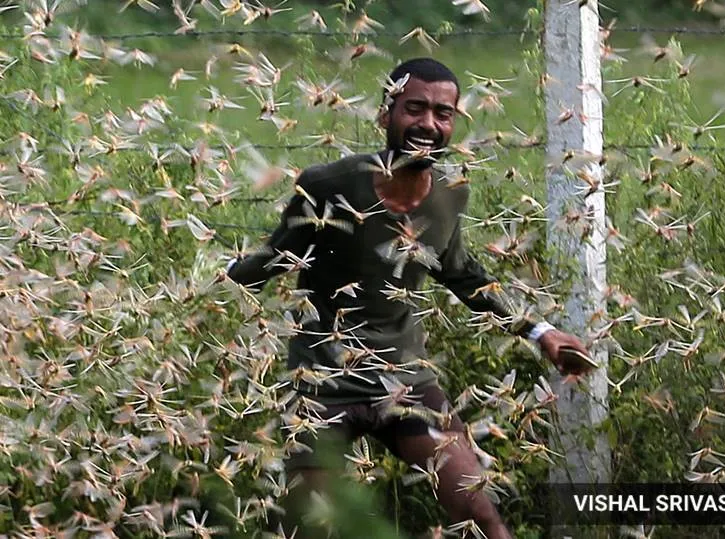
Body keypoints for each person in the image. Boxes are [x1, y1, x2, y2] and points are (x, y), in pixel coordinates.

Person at [226, 57, 594, 539]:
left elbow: (462, 273)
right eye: (414, 108)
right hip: (323, 379)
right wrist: (220, 281)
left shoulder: (447, 196)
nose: (428, 124)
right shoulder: (326, 186)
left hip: (403, 378)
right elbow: (277, 256)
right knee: (311, 526)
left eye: (443, 114)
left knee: (480, 515)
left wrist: (539, 331)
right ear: (386, 113)